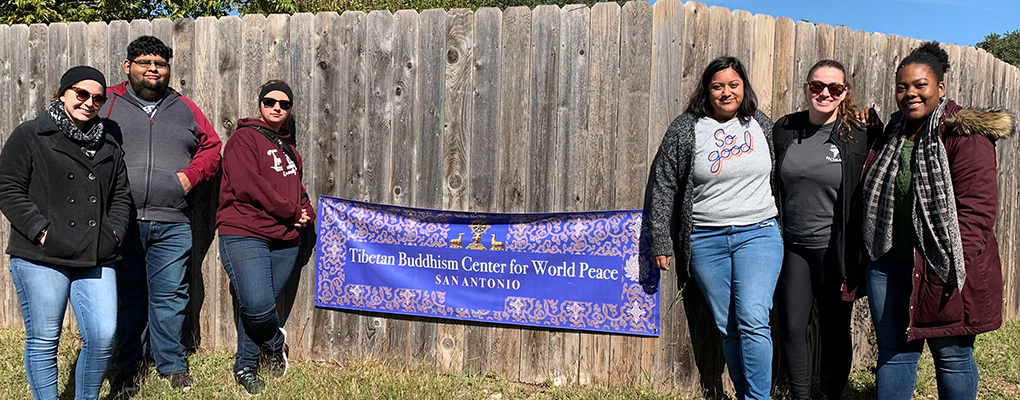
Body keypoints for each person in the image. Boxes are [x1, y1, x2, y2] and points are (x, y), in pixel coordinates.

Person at [862, 42, 1011, 400]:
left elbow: (977, 212)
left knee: (953, 356)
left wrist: (946, 264)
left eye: (920, 85)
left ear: (940, 88)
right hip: (888, 264)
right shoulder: (892, 135)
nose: (910, 93)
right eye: (902, 87)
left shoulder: (965, 135)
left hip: (943, 268)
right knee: (894, 355)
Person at [643, 56, 781, 400]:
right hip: (706, 239)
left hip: (758, 232)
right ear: (707, 90)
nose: (726, 92)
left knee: (753, 319)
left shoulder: (759, 124)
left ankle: (757, 398)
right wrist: (661, 239)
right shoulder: (686, 128)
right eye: (718, 85)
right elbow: (663, 183)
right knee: (729, 326)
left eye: (733, 84)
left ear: (743, 87)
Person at [0, 66, 131, 400]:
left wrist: (113, 234)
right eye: (81, 94)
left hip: (96, 253)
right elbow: (8, 188)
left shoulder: (108, 141)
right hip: (42, 253)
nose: (89, 103)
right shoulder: (31, 134)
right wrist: (41, 232)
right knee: (45, 338)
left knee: (102, 336)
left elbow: (121, 196)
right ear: (62, 93)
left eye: (98, 98)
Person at [102, 35, 222, 393]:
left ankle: (171, 364)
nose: (153, 69)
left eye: (160, 64)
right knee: (128, 296)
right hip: (120, 220)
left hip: (172, 221)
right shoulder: (106, 102)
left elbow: (212, 147)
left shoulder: (185, 107)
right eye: (144, 63)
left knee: (171, 296)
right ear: (128, 67)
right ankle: (129, 366)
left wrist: (188, 178)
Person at [772, 59, 882, 399]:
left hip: (836, 250)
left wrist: (873, 120)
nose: (824, 93)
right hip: (793, 247)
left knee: (835, 329)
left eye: (834, 88)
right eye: (817, 86)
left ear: (844, 92)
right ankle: (801, 396)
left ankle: (831, 394)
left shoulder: (860, 135)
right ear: (806, 88)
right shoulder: (785, 129)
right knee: (791, 328)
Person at [217, 80, 314, 395]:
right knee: (258, 305)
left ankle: (245, 366)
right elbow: (247, 184)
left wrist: (306, 212)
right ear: (260, 104)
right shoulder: (243, 140)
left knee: (256, 304)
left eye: (284, 104)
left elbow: (297, 190)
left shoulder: (290, 152)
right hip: (245, 231)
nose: (276, 108)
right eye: (270, 101)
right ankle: (275, 343)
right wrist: (289, 211)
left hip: (285, 238)